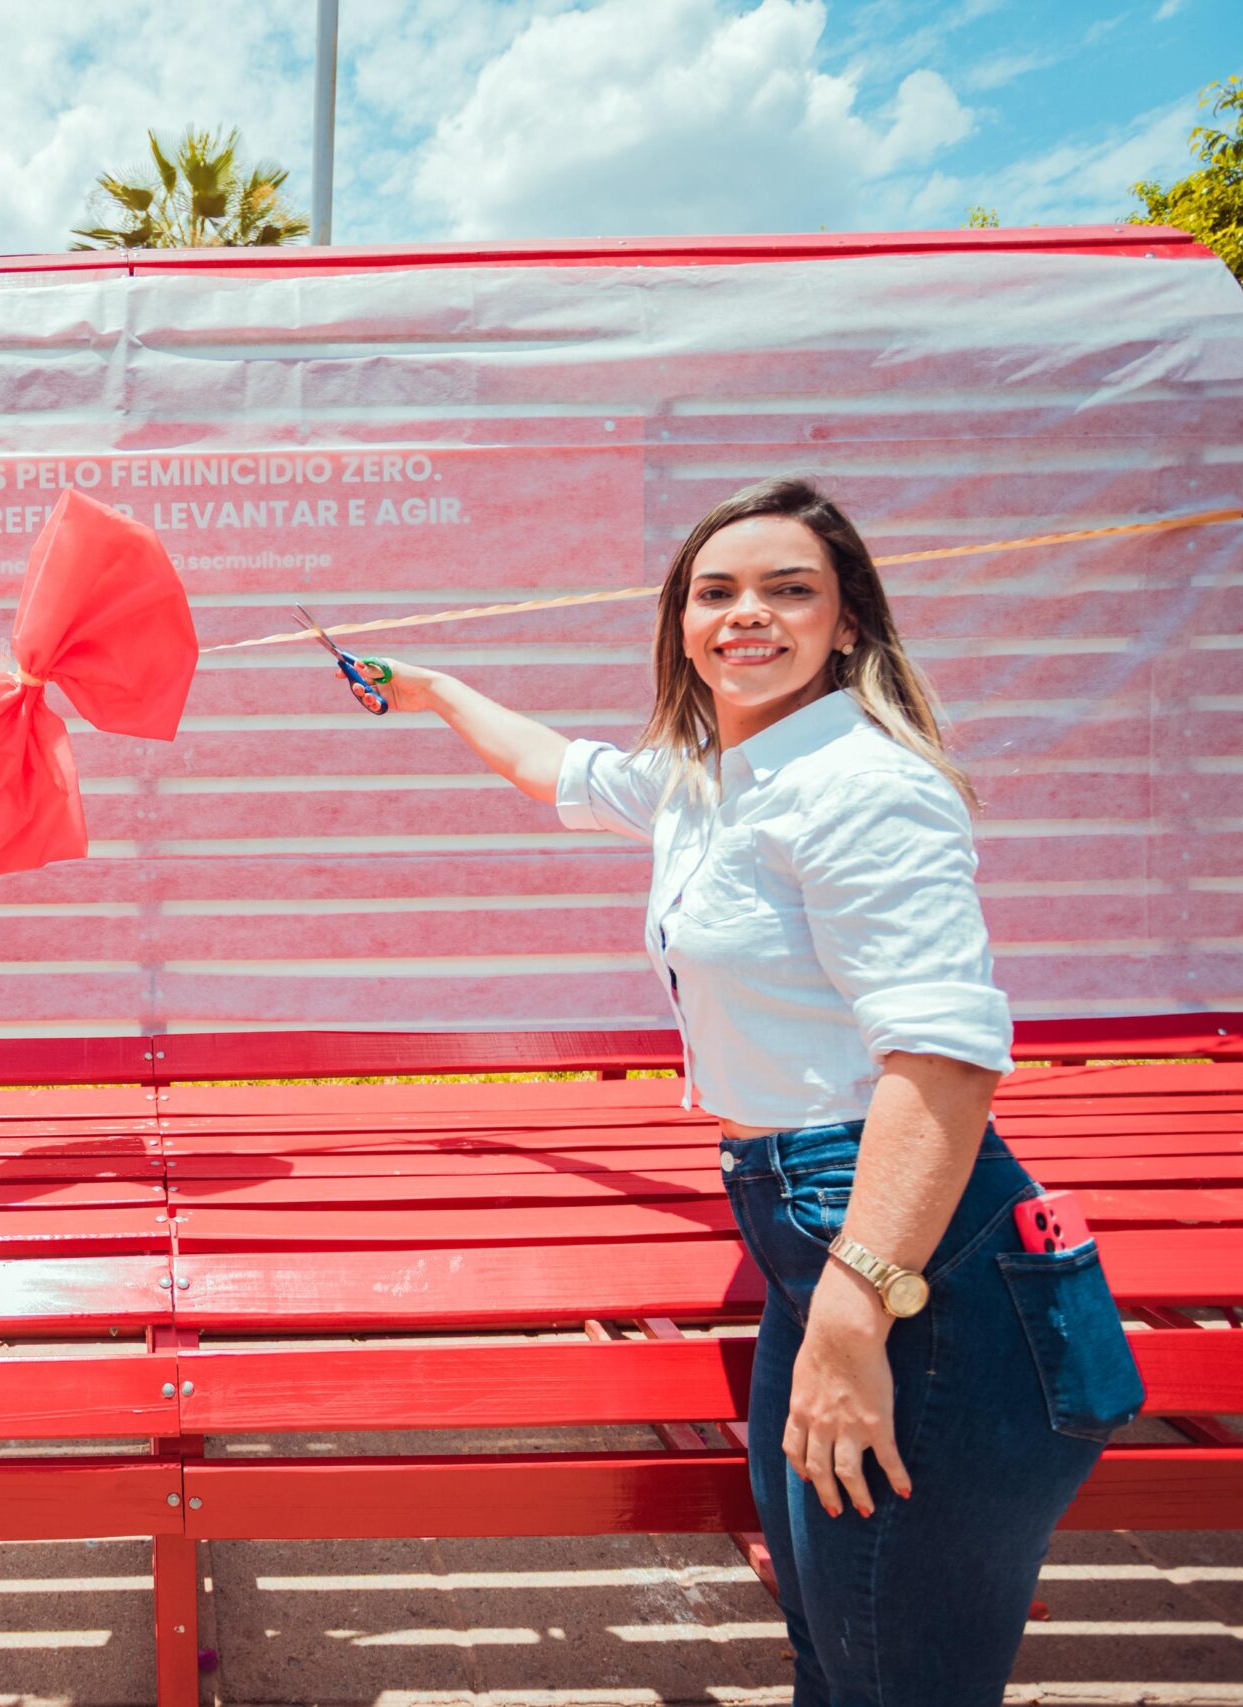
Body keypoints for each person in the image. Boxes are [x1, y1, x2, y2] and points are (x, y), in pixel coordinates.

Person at [373, 477, 1145, 1704]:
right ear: (681, 624)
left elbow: (945, 1062)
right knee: (834, 1651)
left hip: (903, 1253)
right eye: (715, 591)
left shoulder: (861, 785)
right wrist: (431, 691)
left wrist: (855, 1303)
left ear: (847, 622)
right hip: (813, 1233)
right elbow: (557, 770)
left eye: (788, 590)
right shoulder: (712, 779)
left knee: (892, 1673)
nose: (747, 613)